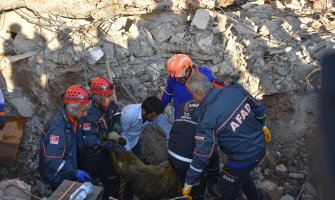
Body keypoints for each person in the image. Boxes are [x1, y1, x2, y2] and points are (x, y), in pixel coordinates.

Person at [182, 74, 267, 200]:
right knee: (242, 176)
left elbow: (202, 155)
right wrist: (262, 126)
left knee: (223, 192)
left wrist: (189, 182)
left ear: (199, 93)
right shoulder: (235, 89)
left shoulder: (206, 120)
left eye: (192, 94)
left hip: (242, 159)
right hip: (261, 146)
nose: (192, 98)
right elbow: (259, 108)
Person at [39, 85, 92, 189]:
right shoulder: (57, 128)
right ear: (72, 109)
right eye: (82, 110)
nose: (85, 113)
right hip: (58, 177)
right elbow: (52, 161)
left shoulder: (75, 119)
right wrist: (74, 172)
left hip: (69, 170)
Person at [78, 77, 122, 199]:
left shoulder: (109, 104)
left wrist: (117, 122)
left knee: (114, 182)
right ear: (97, 96)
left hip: (106, 154)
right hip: (92, 157)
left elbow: (116, 110)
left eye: (111, 95)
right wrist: (104, 143)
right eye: (108, 96)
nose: (111, 98)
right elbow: (87, 139)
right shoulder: (89, 112)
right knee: (88, 188)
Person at [168, 99, 221, 200]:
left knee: (211, 153)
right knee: (211, 150)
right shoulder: (210, 109)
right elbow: (207, 150)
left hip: (172, 153)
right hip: (186, 161)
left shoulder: (184, 103)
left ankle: (186, 187)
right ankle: (199, 192)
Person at [120, 96, 171, 200]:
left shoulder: (156, 115)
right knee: (126, 172)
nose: (154, 119)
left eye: (156, 116)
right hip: (124, 143)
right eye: (152, 116)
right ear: (144, 111)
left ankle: (137, 193)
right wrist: (129, 154)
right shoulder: (128, 113)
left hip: (135, 141)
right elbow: (123, 134)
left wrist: (170, 145)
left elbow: (168, 131)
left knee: (138, 170)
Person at [161, 54, 228, 119]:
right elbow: (166, 95)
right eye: (175, 77)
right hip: (180, 120)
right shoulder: (173, 78)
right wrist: (158, 109)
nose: (177, 79)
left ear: (189, 69)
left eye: (180, 76)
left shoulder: (207, 76)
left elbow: (217, 98)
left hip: (201, 121)